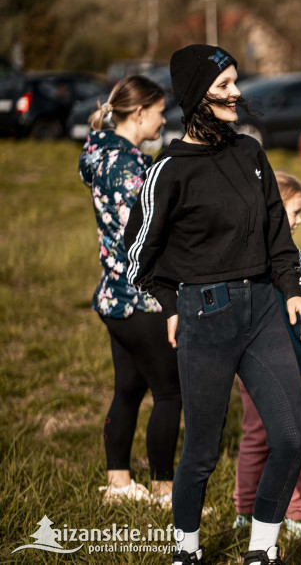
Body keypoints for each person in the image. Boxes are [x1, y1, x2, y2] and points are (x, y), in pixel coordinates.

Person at [124, 44, 301, 565]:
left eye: (236, 81)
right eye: (224, 84)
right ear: (194, 96)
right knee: (203, 454)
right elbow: (138, 249)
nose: (236, 93)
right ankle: (186, 550)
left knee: (291, 440)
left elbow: (278, 233)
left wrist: (293, 291)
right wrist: (170, 303)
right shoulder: (169, 169)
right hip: (203, 317)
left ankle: (262, 549)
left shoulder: (250, 153)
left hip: (263, 313)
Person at [79, 75, 181, 505]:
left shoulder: (97, 152)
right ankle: (163, 489)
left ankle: (118, 483)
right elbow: (147, 235)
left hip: (111, 295)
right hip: (142, 300)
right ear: (139, 113)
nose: (164, 119)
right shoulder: (131, 167)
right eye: (160, 112)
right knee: (170, 394)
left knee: (128, 390)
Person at [233, 172, 301, 536]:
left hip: (249, 367)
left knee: (254, 437)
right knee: (292, 442)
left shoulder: (240, 258)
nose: (299, 219)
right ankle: (298, 516)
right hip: (291, 368)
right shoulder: (292, 259)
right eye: (294, 212)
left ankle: (244, 510)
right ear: (271, 213)